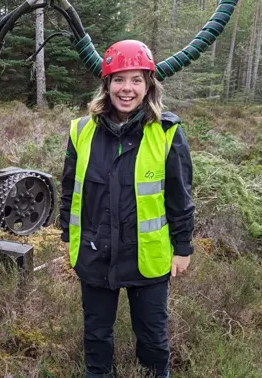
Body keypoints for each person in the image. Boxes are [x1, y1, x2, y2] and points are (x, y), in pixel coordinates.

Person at [59, 40, 195, 378]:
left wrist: (183, 247)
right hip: (94, 252)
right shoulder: (81, 131)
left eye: (136, 79)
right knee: (96, 334)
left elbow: (180, 196)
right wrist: (68, 235)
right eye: (119, 79)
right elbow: (70, 189)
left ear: (149, 85)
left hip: (147, 256)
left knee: (152, 337)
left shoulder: (166, 133)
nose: (127, 89)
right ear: (107, 84)